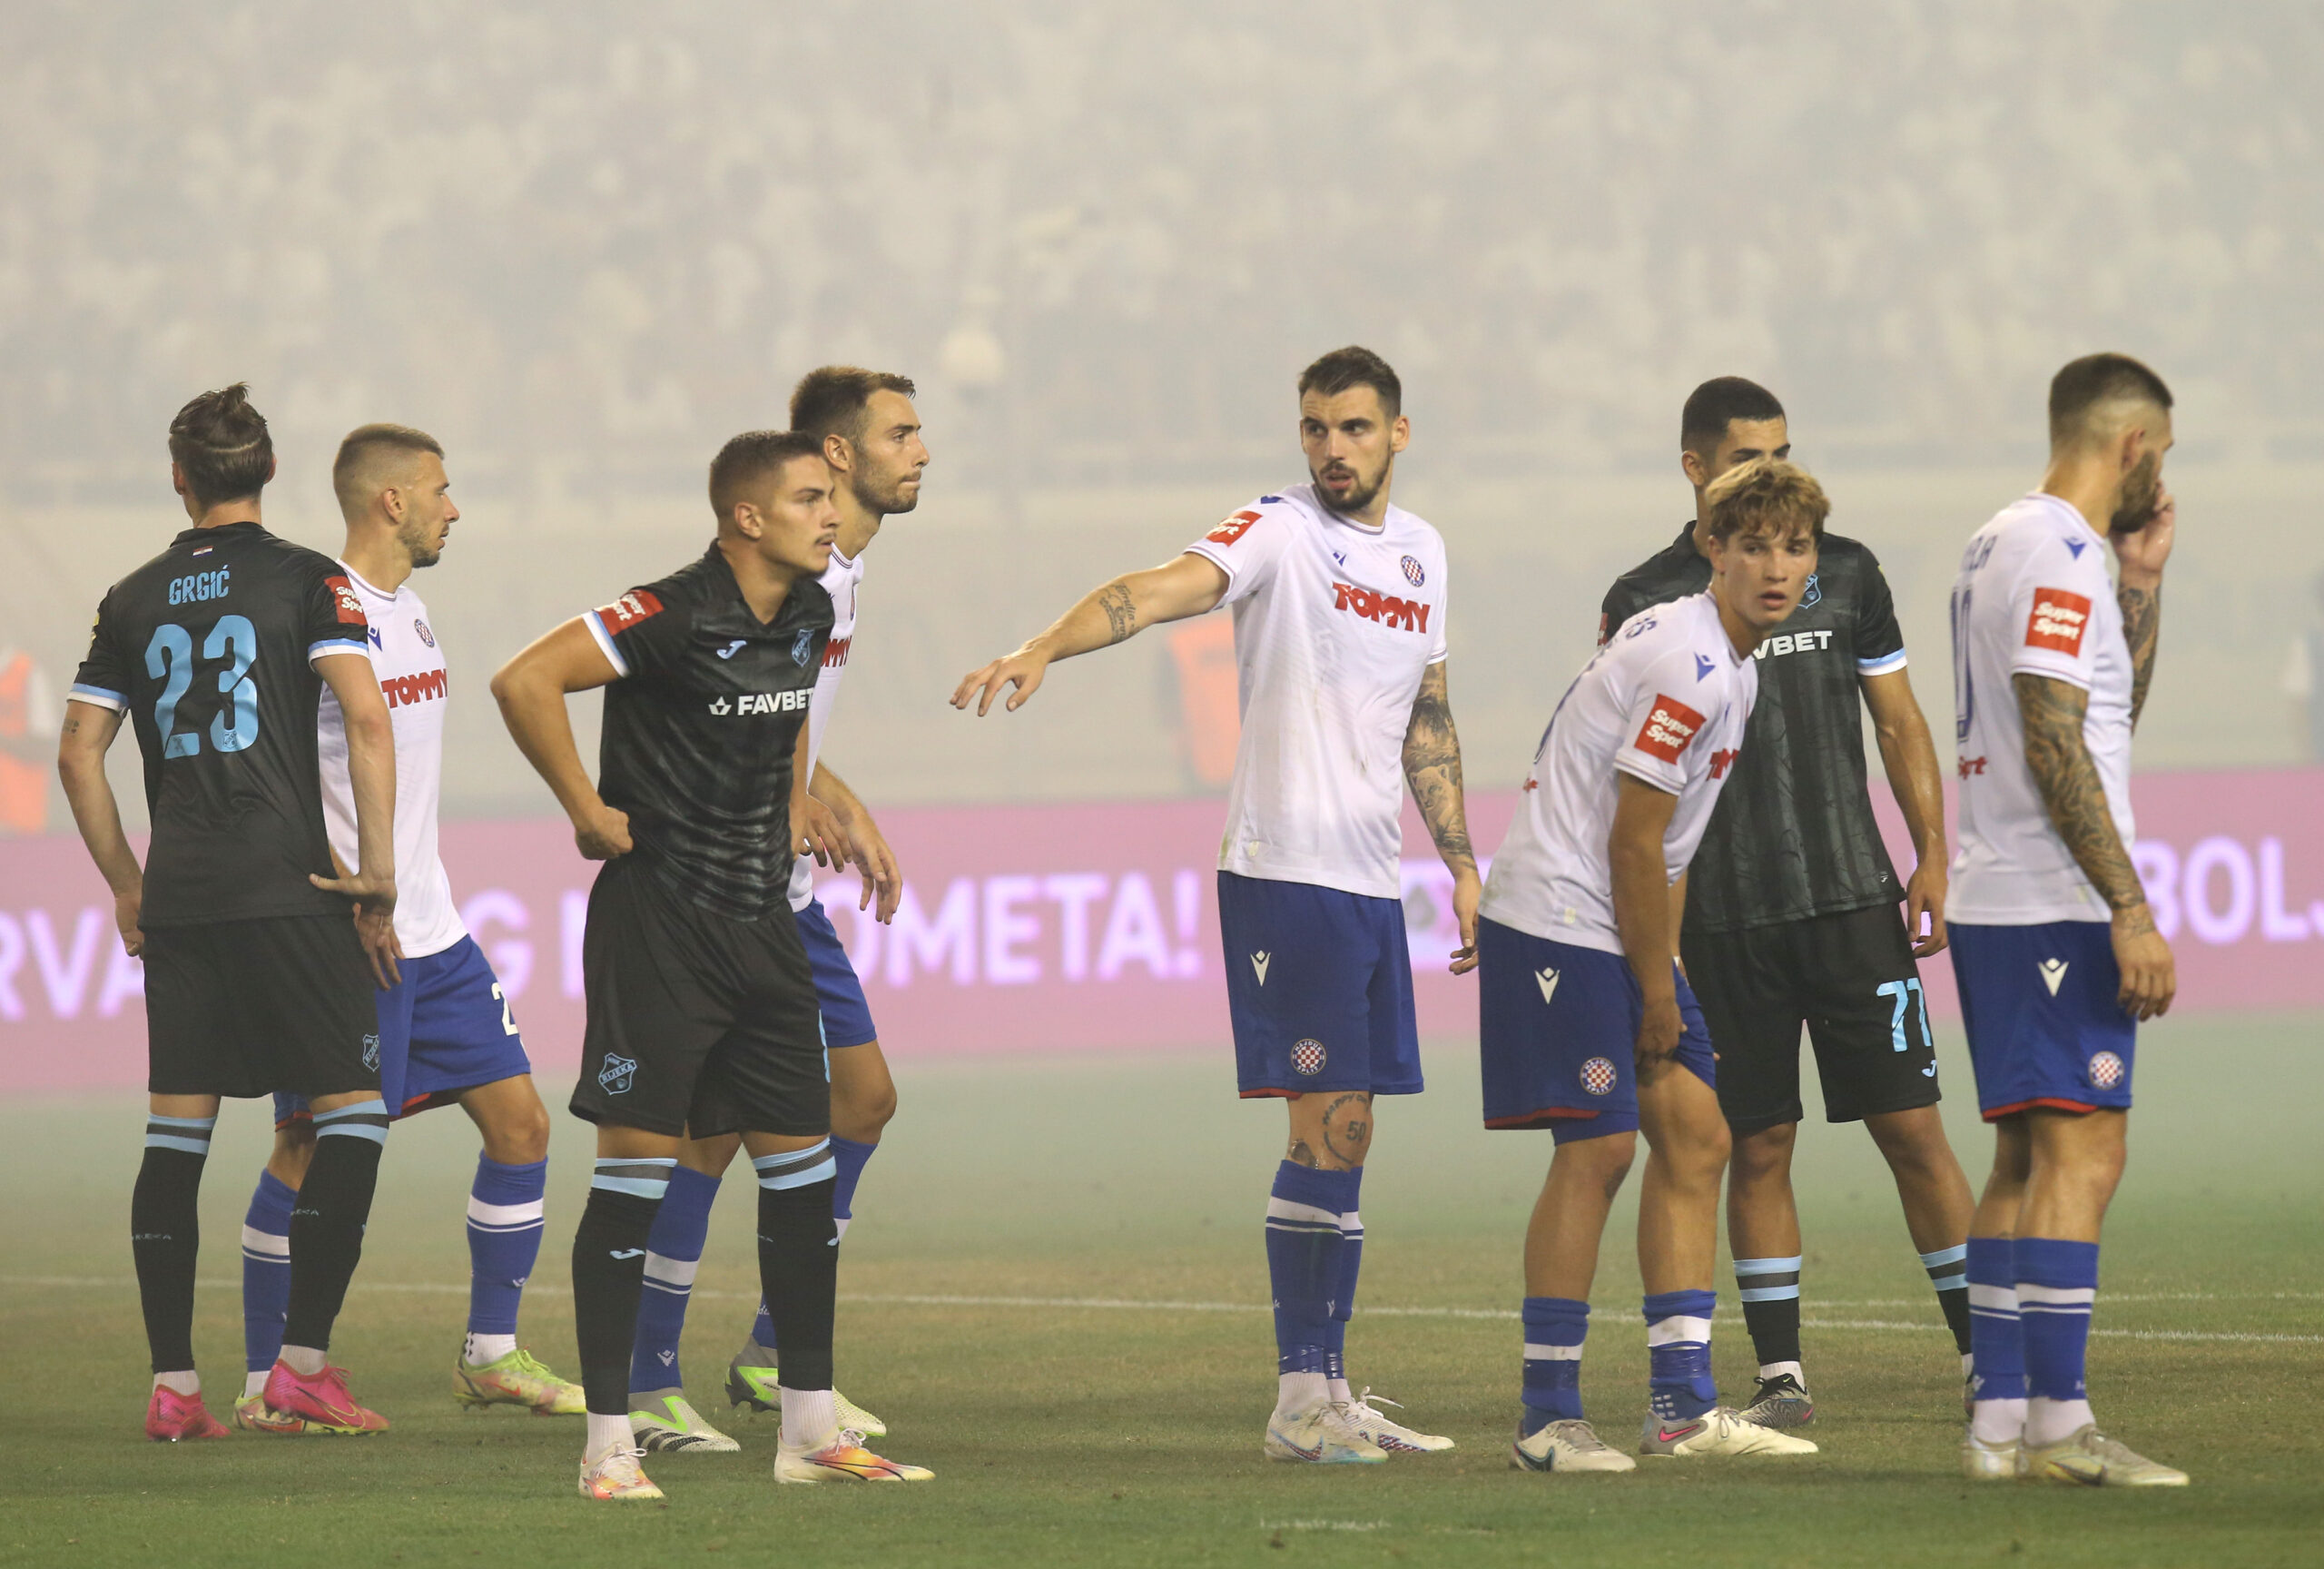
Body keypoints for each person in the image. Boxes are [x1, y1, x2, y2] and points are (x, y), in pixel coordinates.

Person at [954, 346, 1479, 1465]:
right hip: (1286, 866)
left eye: (1351, 428)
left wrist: (1460, 861)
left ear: (1397, 432)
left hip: (1372, 878)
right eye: (1313, 428)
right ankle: (1299, 1399)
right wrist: (1049, 641)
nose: (1330, 448)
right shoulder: (1277, 529)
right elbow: (1153, 592)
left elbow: (1425, 715)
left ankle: (1331, 1386)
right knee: (1323, 1124)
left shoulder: (1424, 553)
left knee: (1354, 1130)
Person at [491, 429, 929, 1502]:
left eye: (831, 498)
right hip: (660, 930)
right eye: (810, 499)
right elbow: (525, 679)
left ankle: (811, 1432)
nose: (832, 516)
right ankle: (607, 1447)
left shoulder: (812, 611)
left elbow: (787, 728)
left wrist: (792, 809)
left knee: (800, 1175)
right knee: (635, 1180)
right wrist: (587, 812)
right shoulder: (669, 611)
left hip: (762, 929)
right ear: (746, 517)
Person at [1596, 378, 1975, 1427]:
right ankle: (1780, 1381)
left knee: (1913, 1130)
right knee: (1757, 1146)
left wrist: (1930, 855)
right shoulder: (1644, 598)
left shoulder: (1844, 570)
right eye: (1743, 460)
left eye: (1782, 454)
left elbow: (1898, 726)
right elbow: (1619, 779)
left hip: (1853, 904)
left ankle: (1989, 1359)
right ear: (1692, 470)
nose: (1768, 484)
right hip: (1720, 927)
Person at [57, 384, 401, 1439]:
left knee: (176, 1138)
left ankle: (174, 1390)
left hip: (189, 901)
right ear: (269, 473)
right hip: (290, 889)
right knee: (352, 1117)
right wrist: (377, 874)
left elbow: (77, 753)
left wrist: (128, 884)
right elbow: (365, 715)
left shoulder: (131, 596)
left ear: (179, 479)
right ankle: (300, 1363)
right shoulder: (309, 580)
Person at [234, 424, 583, 1434]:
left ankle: (491, 1356)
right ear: (391, 501)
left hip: (435, 931)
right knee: (307, 1144)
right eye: (440, 489)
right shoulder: (317, 615)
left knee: (521, 1124)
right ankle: (269, 1378)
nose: (453, 506)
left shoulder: (411, 613)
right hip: (353, 934)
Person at [1481, 458, 1825, 1471]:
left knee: (1698, 1133)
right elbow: (1634, 840)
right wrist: (1651, 986)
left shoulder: (1730, 657)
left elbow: (1665, 846)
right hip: (1560, 917)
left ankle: (1678, 1406)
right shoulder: (1692, 661)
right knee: (1597, 1150)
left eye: (1794, 547)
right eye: (1752, 544)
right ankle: (1548, 1420)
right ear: (1710, 549)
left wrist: (1657, 970)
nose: (1775, 566)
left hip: (1610, 922)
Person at [625, 368, 925, 1453]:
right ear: (838, 458)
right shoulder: (794, 577)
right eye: (900, 433)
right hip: (720, 889)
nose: (921, 451)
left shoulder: (830, 582)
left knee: (865, 1100)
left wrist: (834, 800)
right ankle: (650, 1378)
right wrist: (792, 798)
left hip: (784, 889)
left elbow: (789, 718)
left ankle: (767, 1351)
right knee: (705, 1140)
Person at [1948, 353, 2185, 1486]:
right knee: (2085, 1151)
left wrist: (2139, 583)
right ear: (2131, 444)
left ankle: (1998, 1421)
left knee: (2021, 1156)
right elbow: (2054, 741)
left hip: (1999, 890)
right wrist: (2127, 907)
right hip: (2051, 894)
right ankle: (2058, 1423)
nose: (2163, 481)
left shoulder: (2011, 541)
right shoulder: (2051, 546)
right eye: (2165, 455)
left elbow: (2102, 720)